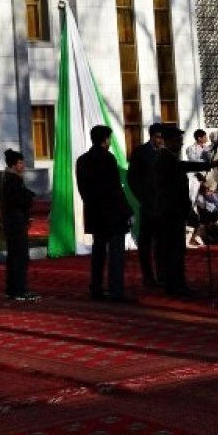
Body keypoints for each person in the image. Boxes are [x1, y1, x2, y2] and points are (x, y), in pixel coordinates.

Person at [153, 126, 218, 297]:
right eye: (177, 140)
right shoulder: (165, 158)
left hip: (174, 211)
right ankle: (174, 284)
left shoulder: (169, 158)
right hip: (170, 212)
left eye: (181, 140)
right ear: (167, 141)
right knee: (173, 251)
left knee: (176, 250)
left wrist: (210, 164)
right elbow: (180, 174)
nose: (180, 143)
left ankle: (177, 283)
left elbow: (184, 166)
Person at [76, 125, 132, 303]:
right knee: (116, 255)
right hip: (113, 214)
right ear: (105, 140)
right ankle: (116, 291)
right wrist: (127, 211)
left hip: (94, 213)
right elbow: (115, 188)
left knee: (98, 253)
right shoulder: (108, 159)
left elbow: (82, 189)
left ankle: (96, 288)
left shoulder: (82, 160)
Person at [0, 149, 38, 301]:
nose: (23, 165)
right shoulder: (13, 180)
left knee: (14, 256)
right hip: (15, 223)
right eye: (20, 163)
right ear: (14, 165)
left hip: (13, 222)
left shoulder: (12, 179)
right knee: (20, 257)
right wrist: (29, 198)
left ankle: (12, 289)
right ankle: (19, 290)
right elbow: (17, 201)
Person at [127, 126, 163, 288]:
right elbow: (132, 178)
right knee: (146, 241)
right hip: (148, 204)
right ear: (151, 136)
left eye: (162, 137)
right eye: (157, 136)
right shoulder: (140, 152)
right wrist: (142, 197)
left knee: (162, 242)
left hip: (163, 204)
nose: (160, 140)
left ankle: (163, 275)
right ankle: (148, 276)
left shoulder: (166, 152)